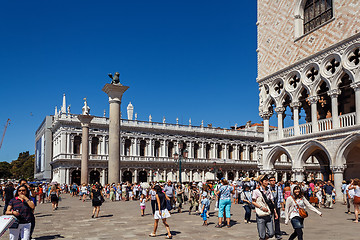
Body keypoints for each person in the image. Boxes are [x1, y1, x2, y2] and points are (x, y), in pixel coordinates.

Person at [252, 174, 278, 240]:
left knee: (271, 233)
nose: (267, 183)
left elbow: (272, 202)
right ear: (261, 182)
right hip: (260, 214)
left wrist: (275, 212)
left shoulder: (269, 191)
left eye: (267, 181)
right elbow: (253, 202)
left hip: (268, 213)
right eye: (265, 181)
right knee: (262, 235)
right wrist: (261, 207)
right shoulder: (256, 191)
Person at [269, 175, 284, 240]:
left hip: (277, 206)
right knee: (269, 220)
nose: (273, 182)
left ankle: (277, 233)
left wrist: (282, 207)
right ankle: (270, 232)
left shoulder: (278, 187)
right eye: (271, 180)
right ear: (269, 181)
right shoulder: (267, 188)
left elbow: (281, 198)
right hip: (269, 206)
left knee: (277, 220)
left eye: (274, 180)